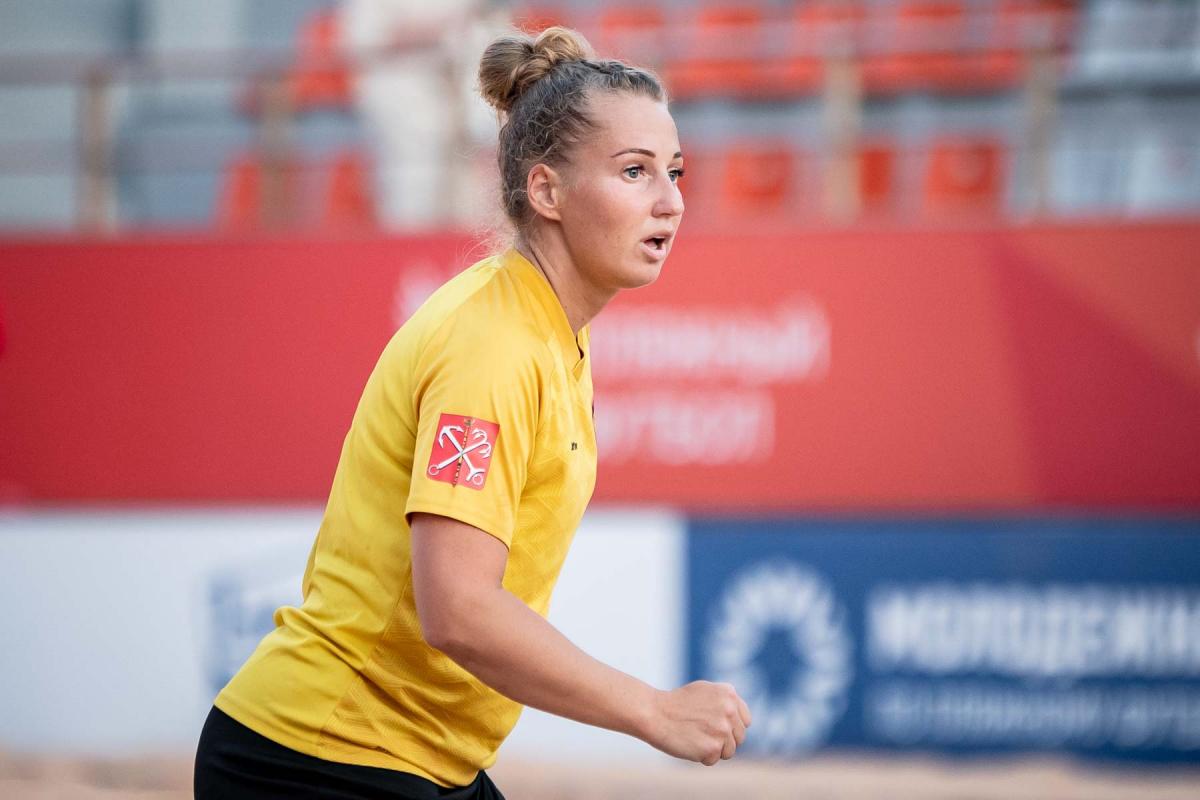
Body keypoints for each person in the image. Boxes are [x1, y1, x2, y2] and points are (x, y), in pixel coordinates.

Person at [194, 25, 751, 800]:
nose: (671, 201)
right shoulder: (494, 344)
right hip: (313, 759)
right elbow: (457, 610)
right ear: (546, 192)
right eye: (634, 171)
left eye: (675, 171)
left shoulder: (546, 327)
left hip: (411, 757)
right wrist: (652, 711)